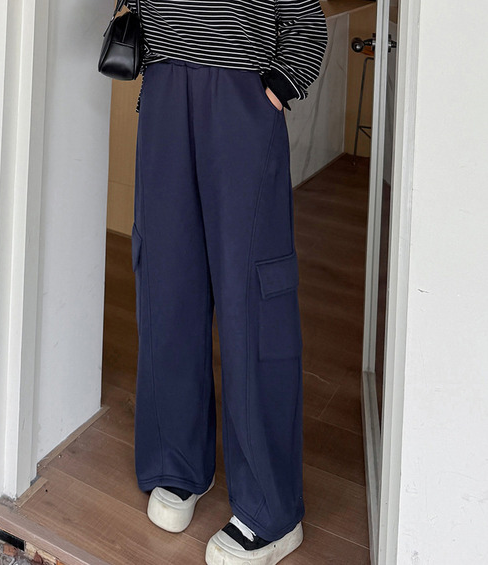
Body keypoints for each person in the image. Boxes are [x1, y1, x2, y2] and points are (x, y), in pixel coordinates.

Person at [125, 1, 328, 563]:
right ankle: (177, 460)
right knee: (167, 283)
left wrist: (277, 88)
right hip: (165, 89)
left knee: (252, 298)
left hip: (241, 95)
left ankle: (271, 510)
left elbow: (306, 22)